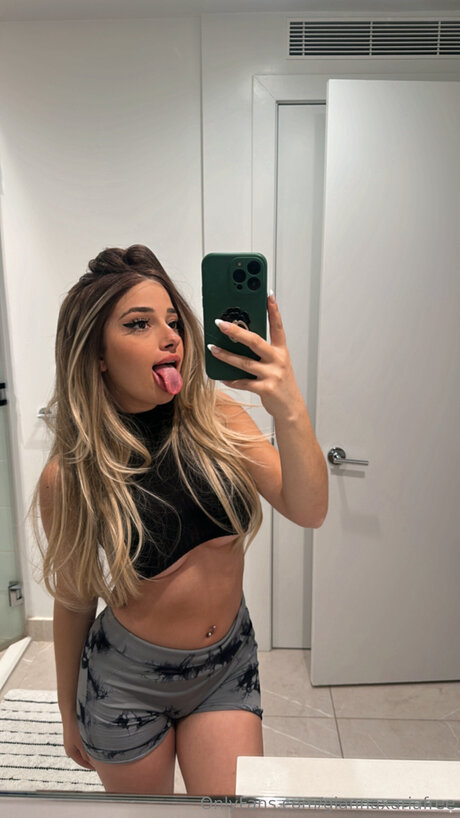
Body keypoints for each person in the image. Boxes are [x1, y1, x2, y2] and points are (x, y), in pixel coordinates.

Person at [31, 244, 328, 796]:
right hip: (129, 682)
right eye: (138, 323)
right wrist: (68, 712)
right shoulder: (71, 476)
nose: (170, 337)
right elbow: (74, 601)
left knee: (231, 810)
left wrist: (288, 404)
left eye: (173, 321)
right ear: (97, 353)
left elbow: (309, 509)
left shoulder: (217, 418)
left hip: (226, 664)